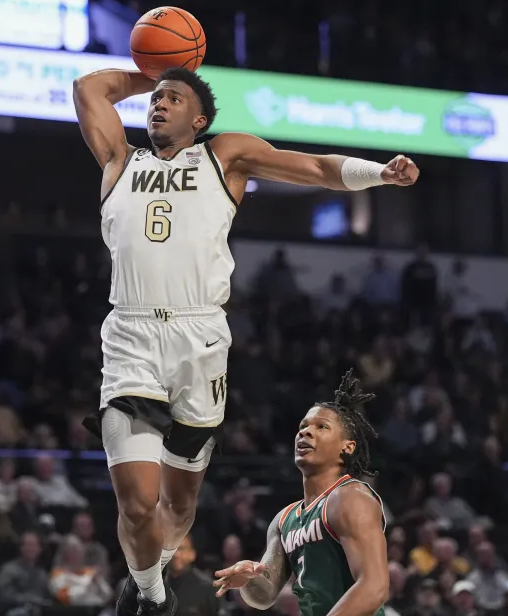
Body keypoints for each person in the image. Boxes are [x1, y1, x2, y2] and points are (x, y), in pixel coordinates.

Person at [74, 63, 418, 616]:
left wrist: (378, 173)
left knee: (179, 503)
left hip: (200, 335)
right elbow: (90, 87)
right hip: (131, 335)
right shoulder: (120, 159)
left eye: (174, 98)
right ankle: (152, 596)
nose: (158, 104)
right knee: (138, 503)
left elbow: (310, 166)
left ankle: (154, 570)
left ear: (200, 118)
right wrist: (157, 70)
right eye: (154, 99)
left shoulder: (222, 155)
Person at [212, 370, 390, 615]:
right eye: (303, 426)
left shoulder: (350, 498)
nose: (305, 432)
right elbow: (263, 597)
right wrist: (249, 579)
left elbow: (374, 586)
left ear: (347, 447)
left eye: (322, 427)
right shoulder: (284, 519)